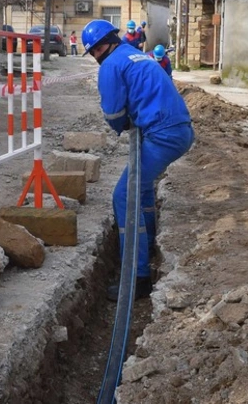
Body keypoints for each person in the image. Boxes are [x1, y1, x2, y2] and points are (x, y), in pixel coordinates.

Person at [81, 19, 194, 301]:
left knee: (124, 195)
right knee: (140, 189)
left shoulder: (111, 65)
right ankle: (150, 241)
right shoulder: (136, 55)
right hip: (177, 128)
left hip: (163, 134)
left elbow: (114, 113)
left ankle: (137, 277)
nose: (95, 58)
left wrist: (123, 125)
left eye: (93, 53)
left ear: (99, 48)